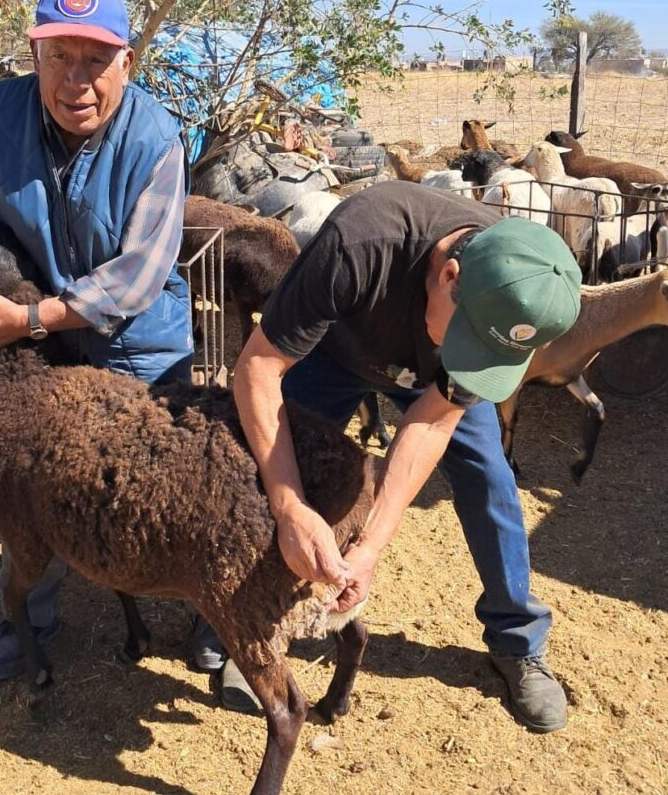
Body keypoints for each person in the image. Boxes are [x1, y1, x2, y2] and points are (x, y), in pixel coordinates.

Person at [230, 181, 582, 733]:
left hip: (427, 377)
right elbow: (257, 369)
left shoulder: (515, 287)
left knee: (489, 477)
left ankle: (517, 639)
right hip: (338, 349)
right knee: (270, 461)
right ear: (449, 276)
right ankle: (244, 622)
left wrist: (369, 545)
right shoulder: (360, 243)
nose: (475, 358)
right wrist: (288, 504)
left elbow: (432, 420)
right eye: (470, 340)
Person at [0, 0, 194, 680]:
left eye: (95, 60)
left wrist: (32, 315)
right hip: (32, 334)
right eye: (60, 58)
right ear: (35, 55)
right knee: (28, 476)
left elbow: (140, 273)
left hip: (131, 335)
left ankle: (216, 610)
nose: (76, 80)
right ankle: (29, 614)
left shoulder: (155, 138)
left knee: (165, 479)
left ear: (127, 65)